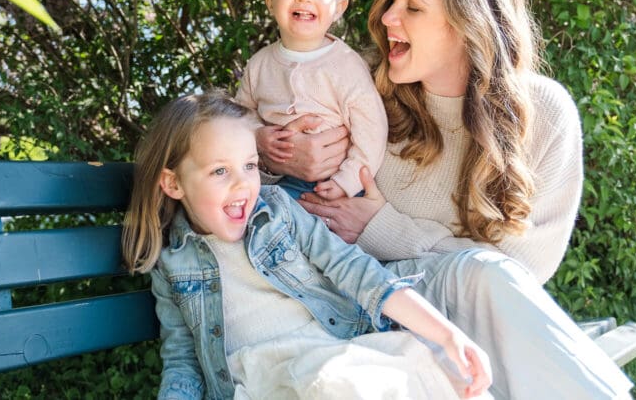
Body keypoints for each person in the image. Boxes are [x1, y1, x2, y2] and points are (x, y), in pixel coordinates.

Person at [258, 0, 633, 400]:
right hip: (366, 310)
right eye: (393, 2)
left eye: (412, 8)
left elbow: (520, 270)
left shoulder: (542, 112)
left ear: (466, 24)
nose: (387, 18)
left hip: (478, 319)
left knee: (486, 276)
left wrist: (384, 228)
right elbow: (266, 167)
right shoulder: (360, 87)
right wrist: (276, 158)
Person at [122, 91, 492, 400]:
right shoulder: (172, 265)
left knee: (428, 373)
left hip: (331, 349)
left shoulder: (279, 211)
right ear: (173, 184)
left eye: (250, 166)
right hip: (266, 380)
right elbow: (183, 361)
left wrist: (446, 334)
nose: (243, 186)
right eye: (220, 171)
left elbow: (358, 272)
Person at [235, 0, 387, 200]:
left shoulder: (347, 66)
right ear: (270, 2)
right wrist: (257, 136)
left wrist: (347, 181)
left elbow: (372, 130)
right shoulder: (259, 64)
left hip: (330, 183)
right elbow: (239, 117)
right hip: (270, 180)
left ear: (338, 9)